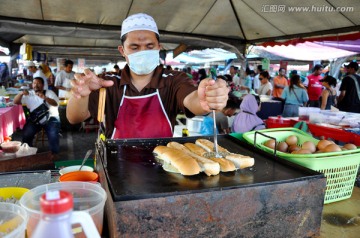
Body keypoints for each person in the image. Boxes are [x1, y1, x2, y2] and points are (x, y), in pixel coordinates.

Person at [66, 13, 228, 139]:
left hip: (161, 164)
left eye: (149, 46)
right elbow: (74, 118)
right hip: (115, 165)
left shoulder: (173, 80)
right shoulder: (107, 82)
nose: (142, 52)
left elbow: (192, 100)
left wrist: (205, 99)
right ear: (122, 51)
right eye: (134, 47)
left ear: (159, 47)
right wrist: (80, 95)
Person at [13, 77, 60, 154]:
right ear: (32, 85)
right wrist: (21, 93)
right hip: (35, 119)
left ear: (43, 85)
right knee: (27, 133)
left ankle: (54, 155)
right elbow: (15, 102)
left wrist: (45, 98)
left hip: (51, 118)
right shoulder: (29, 94)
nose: (36, 85)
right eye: (34, 83)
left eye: (38, 83)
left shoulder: (49, 93)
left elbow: (56, 104)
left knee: (53, 134)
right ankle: (27, 153)